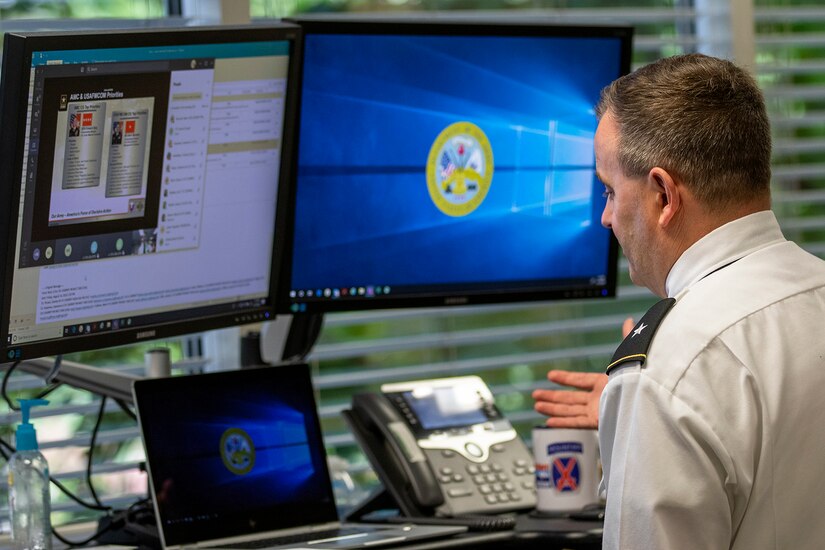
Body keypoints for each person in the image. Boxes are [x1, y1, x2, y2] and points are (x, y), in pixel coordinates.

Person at [533, 53, 825, 549]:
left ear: (664, 196)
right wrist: (633, 427)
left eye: (608, 191)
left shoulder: (670, 365)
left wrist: (651, 400)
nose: (606, 218)